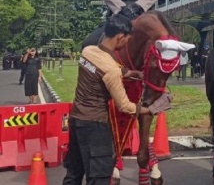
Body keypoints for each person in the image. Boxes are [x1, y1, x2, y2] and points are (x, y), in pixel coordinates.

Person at [62, 15, 171, 184]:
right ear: (120, 37)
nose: (126, 44)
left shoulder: (87, 52)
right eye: (126, 40)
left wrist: (131, 73)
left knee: (74, 173)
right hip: (95, 126)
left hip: (77, 121)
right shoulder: (111, 70)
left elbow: (102, 68)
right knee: (98, 177)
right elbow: (125, 106)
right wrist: (150, 109)